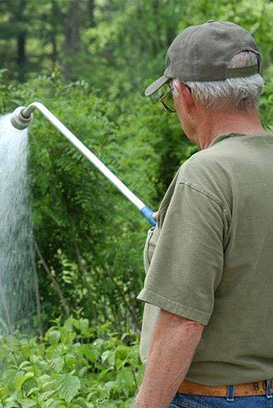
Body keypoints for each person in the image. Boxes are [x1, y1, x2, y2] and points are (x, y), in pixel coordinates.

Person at [133, 20, 273, 407]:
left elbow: (183, 320)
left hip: (211, 399)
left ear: (185, 94)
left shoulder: (206, 175)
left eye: (170, 97)